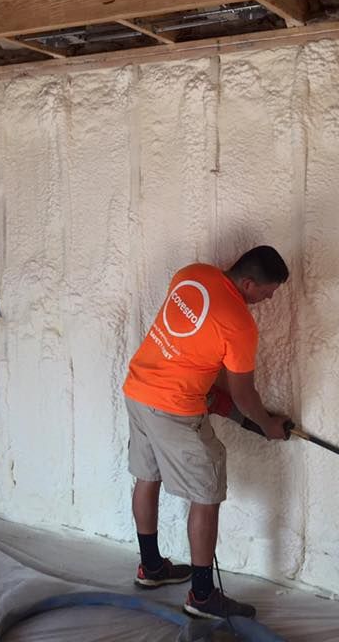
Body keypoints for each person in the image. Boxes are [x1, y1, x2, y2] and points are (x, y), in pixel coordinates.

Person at [122, 245, 291, 620]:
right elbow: (245, 396)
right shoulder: (240, 325)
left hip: (138, 389)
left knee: (146, 476)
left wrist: (237, 412)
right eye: (267, 291)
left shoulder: (192, 273)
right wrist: (267, 425)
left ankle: (150, 567)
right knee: (207, 491)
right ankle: (201, 596)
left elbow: (188, 353)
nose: (268, 298)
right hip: (174, 409)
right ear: (248, 283)